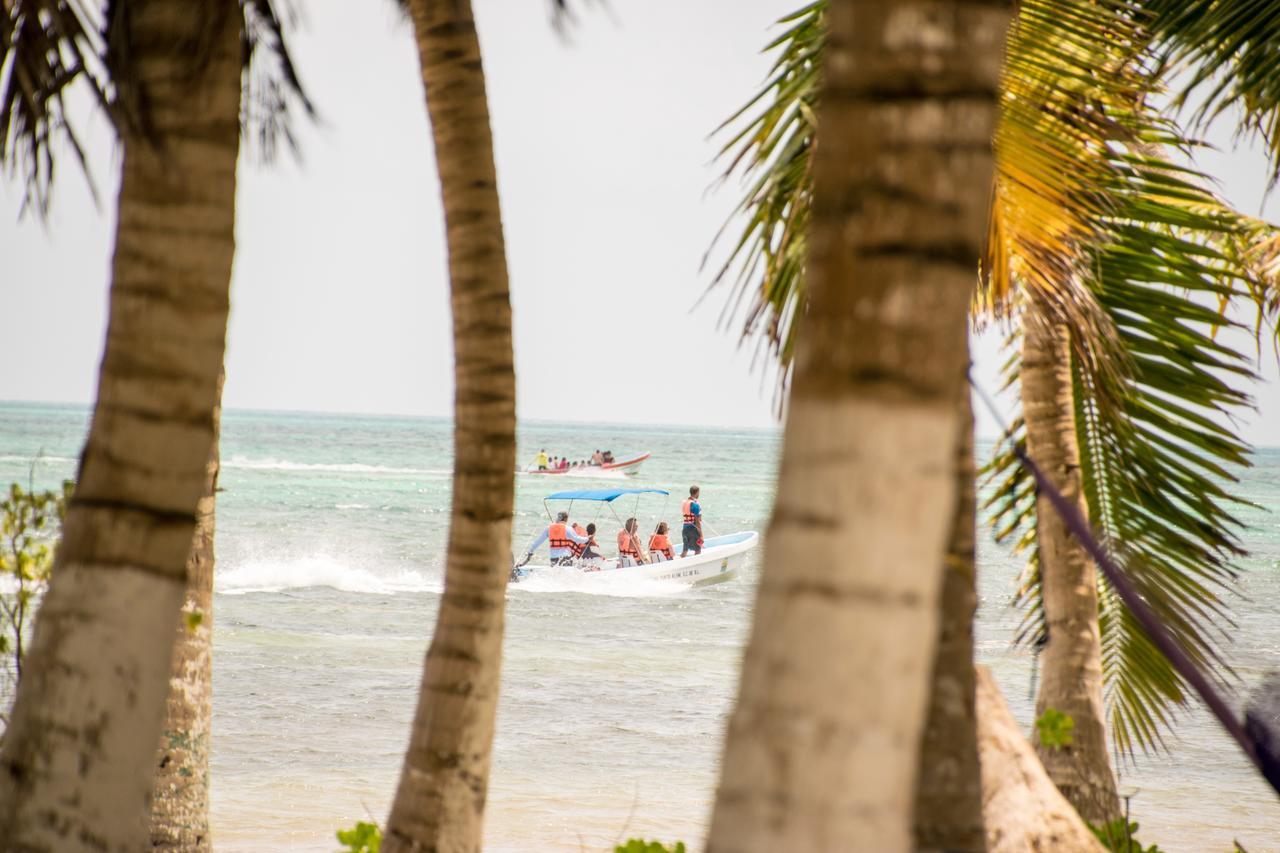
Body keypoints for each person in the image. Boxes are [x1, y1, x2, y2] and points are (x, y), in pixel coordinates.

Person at [681, 485, 703, 557]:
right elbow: (697, 521)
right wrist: (701, 535)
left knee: (685, 550)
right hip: (693, 529)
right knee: (697, 550)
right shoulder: (695, 504)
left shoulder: (684, 503)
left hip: (685, 528)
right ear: (697, 492)